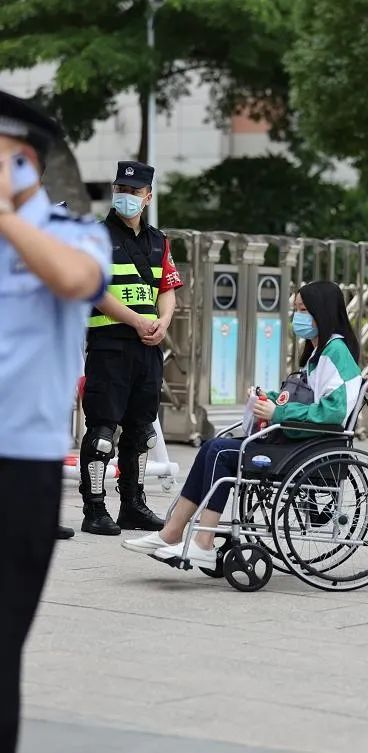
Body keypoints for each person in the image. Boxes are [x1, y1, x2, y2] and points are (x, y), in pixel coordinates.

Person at [0, 90, 111, 753]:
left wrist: (7, 221)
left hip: (19, 471)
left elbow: (76, 281)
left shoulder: (75, 233)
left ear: (22, 160)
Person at [121, 280, 363, 569]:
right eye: (296, 309)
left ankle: (203, 541)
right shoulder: (317, 355)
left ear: (321, 312)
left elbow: (333, 412)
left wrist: (279, 412)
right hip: (297, 443)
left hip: (307, 448)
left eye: (303, 310)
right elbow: (306, 397)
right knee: (212, 446)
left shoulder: (336, 354)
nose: (297, 316)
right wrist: (268, 400)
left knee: (221, 452)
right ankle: (172, 532)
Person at [78, 160, 183, 535]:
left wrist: (163, 324)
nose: (126, 197)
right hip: (110, 346)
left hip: (148, 348)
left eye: (134, 192)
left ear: (148, 197)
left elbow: (167, 290)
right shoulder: (95, 238)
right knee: (103, 431)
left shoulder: (159, 241)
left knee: (141, 432)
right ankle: (94, 509)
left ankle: (133, 505)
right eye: (120, 190)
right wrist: (137, 320)